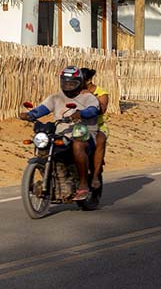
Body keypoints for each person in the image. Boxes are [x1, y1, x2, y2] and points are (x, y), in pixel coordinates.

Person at [19, 66, 100, 200]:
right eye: (65, 83)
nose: (68, 86)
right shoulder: (56, 97)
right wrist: (30, 115)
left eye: (72, 83)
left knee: (78, 145)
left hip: (84, 133)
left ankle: (83, 185)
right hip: (61, 133)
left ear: (79, 82)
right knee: (43, 144)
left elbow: (92, 110)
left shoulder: (88, 97)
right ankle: (50, 178)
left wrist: (80, 113)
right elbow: (42, 109)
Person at [80, 68, 109, 190]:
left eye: (81, 80)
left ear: (88, 80)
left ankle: (96, 175)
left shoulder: (101, 93)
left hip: (97, 126)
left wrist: (90, 97)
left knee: (100, 140)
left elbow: (102, 110)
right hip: (78, 126)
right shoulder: (75, 92)